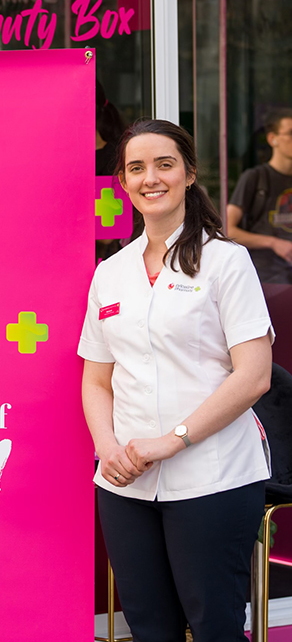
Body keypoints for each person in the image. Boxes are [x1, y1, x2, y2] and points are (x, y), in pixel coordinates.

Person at [78, 119, 273, 642]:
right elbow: (96, 380)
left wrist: (172, 441)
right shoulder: (110, 272)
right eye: (136, 168)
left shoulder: (226, 261)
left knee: (215, 626)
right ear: (123, 182)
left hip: (212, 476)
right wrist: (107, 449)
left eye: (164, 164)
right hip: (125, 480)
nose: (151, 178)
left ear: (189, 174)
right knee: (149, 627)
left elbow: (254, 376)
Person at [227, 108, 292, 284]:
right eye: (290, 133)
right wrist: (273, 243)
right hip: (265, 278)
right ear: (272, 139)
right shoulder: (255, 177)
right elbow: (227, 229)